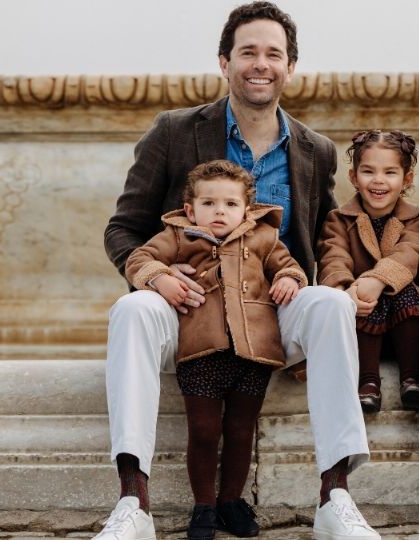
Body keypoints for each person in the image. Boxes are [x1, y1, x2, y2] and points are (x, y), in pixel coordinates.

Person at [99, 3, 380, 539]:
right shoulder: (175, 132)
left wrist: (336, 286)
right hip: (186, 310)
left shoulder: (315, 150)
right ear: (225, 62)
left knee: (331, 303)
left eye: (273, 53)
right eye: (248, 51)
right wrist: (153, 277)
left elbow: (321, 243)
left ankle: (335, 499)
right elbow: (123, 230)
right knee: (131, 310)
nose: (260, 63)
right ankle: (132, 504)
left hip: (268, 312)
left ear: (290, 67)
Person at [125, 160, 305, 538]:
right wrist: (160, 277)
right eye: (208, 204)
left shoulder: (262, 238)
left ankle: (231, 503)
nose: (219, 211)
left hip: (252, 353)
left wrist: (289, 278)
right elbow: (138, 258)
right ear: (190, 209)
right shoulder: (178, 237)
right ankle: (204, 506)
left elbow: (288, 265)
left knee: (241, 430)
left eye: (229, 204)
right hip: (201, 352)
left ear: (246, 210)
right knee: (204, 431)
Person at [316, 130, 419, 413]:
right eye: (368, 171)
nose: (379, 181)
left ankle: (412, 378)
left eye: (390, 172)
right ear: (353, 177)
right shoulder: (338, 219)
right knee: (366, 296)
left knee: (401, 289)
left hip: (406, 325)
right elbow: (332, 256)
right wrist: (345, 291)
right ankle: (368, 381)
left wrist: (377, 279)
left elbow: (411, 254)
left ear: (407, 179)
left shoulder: (413, 219)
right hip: (360, 316)